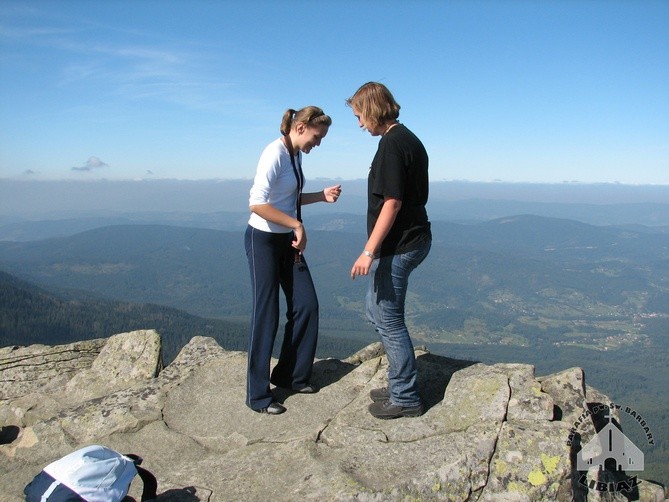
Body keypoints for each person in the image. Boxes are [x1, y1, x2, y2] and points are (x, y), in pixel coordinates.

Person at [245, 106, 342, 414]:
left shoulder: (295, 154)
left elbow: (286, 197)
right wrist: (297, 225)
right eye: (317, 136)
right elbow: (257, 204)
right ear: (300, 127)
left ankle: (291, 375)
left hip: (285, 240)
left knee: (306, 304)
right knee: (267, 313)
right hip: (263, 241)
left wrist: (319, 196)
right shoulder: (273, 153)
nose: (319, 143)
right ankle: (257, 396)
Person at [347, 82, 431, 419]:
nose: (359, 124)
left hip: (399, 245)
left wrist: (369, 251)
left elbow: (392, 202)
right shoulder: (407, 138)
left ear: (372, 111)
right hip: (411, 239)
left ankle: (406, 397)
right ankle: (400, 382)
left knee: (388, 319)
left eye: (359, 116)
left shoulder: (392, 145)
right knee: (375, 310)